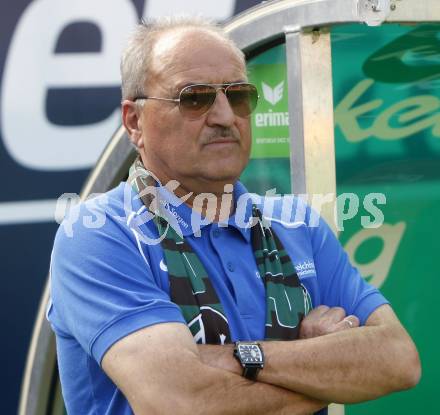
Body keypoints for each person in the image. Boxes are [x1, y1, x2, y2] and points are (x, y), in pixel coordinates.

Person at [48, 16, 421, 415]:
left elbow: (398, 359)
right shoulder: (100, 234)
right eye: (195, 98)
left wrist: (232, 358)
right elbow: (179, 402)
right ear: (134, 121)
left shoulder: (298, 224)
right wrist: (323, 366)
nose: (226, 116)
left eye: (239, 95)